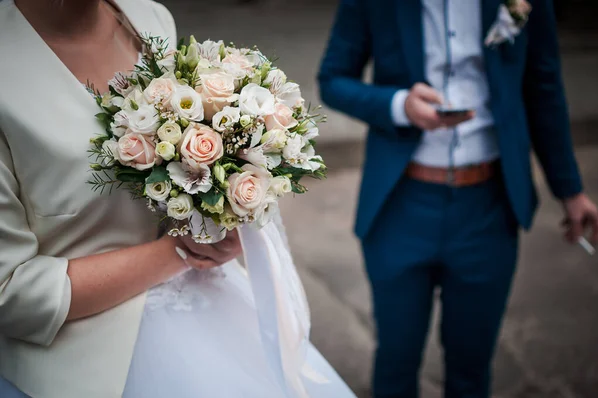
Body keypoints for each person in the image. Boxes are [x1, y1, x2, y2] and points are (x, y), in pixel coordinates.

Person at [0, 0, 357, 397]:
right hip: (85, 352)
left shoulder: (150, 18)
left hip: (209, 300)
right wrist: (182, 252)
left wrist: (226, 202)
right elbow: (9, 292)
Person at [318, 0, 598, 397]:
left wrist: (569, 190)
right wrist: (399, 105)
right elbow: (332, 79)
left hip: (488, 207)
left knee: (472, 367)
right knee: (396, 360)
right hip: (401, 203)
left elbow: (543, 86)